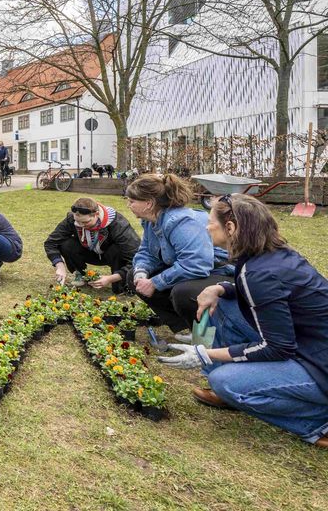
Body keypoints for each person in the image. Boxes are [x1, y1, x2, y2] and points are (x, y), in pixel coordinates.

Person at [159, 195, 328, 448]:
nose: (207, 227)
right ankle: (232, 393)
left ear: (230, 228)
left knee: (225, 382)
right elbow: (269, 299)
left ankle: (318, 422)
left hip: (318, 365)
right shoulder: (270, 256)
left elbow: (277, 348)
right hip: (309, 345)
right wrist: (221, 288)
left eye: (211, 222)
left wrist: (205, 354)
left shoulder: (258, 273)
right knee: (224, 304)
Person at [125, 174, 233, 340]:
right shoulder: (151, 221)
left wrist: (155, 282)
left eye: (132, 201)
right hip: (197, 269)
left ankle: (210, 336)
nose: (128, 205)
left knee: (183, 292)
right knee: (133, 276)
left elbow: (196, 264)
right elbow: (147, 252)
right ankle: (186, 327)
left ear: (149, 203)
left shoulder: (181, 222)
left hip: (221, 270)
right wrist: (141, 272)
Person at [44, 196, 141, 294]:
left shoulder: (118, 224)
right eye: (77, 221)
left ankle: (121, 282)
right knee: (66, 244)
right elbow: (50, 243)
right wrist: (60, 266)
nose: (81, 225)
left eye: (85, 222)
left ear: (96, 214)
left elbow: (136, 258)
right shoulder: (72, 219)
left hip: (111, 255)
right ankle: (81, 273)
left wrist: (111, 278)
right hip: (89, 252)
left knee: (116, 252)